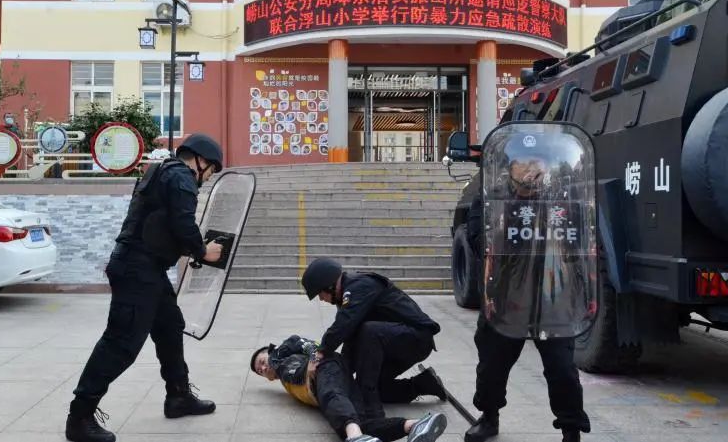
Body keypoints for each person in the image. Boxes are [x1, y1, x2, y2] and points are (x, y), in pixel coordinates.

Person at [65, 133, 226, 442]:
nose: (208, 178)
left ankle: (178, 395)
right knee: (121, 343)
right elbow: (183, 223)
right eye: (211, 170)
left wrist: (191, 248)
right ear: (201, 161)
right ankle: (79, 416)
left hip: (146, 267)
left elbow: (163, 224)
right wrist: (203, 251)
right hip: (138, 270)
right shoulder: (181, 178)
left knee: (169, 327)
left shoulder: (162, 170)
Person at [464, 135, 591, 442]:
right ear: (511, 167)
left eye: (539, 161)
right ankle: (489, 415)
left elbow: (579, 239)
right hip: (507, 296)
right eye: (525, 161)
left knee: (562, 368)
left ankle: (571, 427)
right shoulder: (491, 196)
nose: (533, 168)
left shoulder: (561, 195)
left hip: (552, 294)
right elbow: (477, 239)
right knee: (493, 364)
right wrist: (516, 207)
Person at [301, 258, 446, 419]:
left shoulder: (359, 286)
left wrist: (320, 352)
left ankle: (372, 413)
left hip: (416, 338)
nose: (321, 299)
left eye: (320, 294)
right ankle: (424, 384)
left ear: (329, 285)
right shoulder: (350, 294)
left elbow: (344, 325)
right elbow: (349, 337)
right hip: (393, 341)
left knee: (369, 332)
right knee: (377, 387)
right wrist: (339, 374)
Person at [250, 335, 447, 442]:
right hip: (335, 380)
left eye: (262, 361)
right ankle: (415, 426)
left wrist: (313, 358)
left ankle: (356, 438)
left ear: (270, 351)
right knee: (361, 423)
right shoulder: (285, 381)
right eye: (260, 370)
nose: (263, 367)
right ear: (266, 379)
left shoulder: (279, 355)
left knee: (331, 398)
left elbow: (300, 342)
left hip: (325, 369)